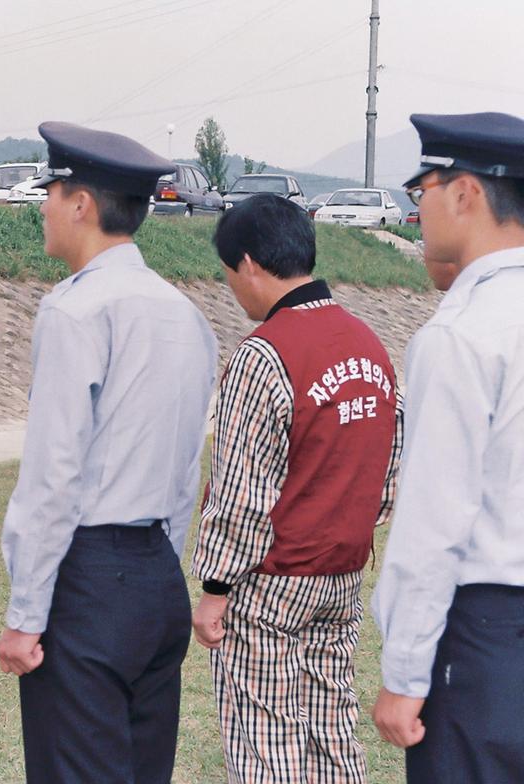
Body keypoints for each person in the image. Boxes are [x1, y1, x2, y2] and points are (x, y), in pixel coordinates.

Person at [0, 121, 217, 783]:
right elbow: (185, 470)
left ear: (82, 204)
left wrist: (25, 615)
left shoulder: (75, 311)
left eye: (51, 191)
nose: (43, 206)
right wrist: (156, 568)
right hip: (155, 577)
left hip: (91, 583)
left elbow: (54, 475)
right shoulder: (186, 315)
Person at [189, 194, 402, 784]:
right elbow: (387, 469)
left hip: (274, 580)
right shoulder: (370, 345)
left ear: (250, 264)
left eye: (230, 275)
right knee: (333, 729)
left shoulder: (264, 354)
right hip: (341, 576)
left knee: (267, 740)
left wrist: (215, 586)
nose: (234, 289)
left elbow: (241, 489)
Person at [370, 111, 524, 783]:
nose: (421, 207)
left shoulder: (462, 331)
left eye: (422, 188)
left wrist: (405, 671)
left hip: (485, 637)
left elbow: (435, 521)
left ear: (466, 193)